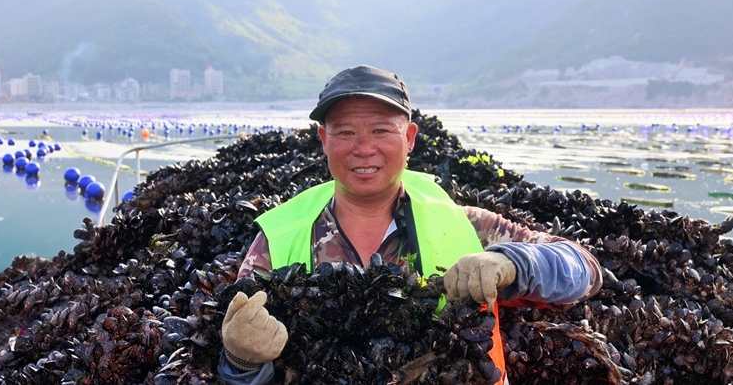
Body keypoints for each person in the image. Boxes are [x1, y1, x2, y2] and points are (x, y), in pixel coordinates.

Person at [219, 65, 603, 385]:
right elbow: (229, 369)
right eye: (345, 131)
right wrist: (243, 363)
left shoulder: (466, 225)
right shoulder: (279, 237)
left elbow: (585, 271)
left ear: (410, 138)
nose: (363, 148)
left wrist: (514, 264)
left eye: (382, 130)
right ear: (323, 139)